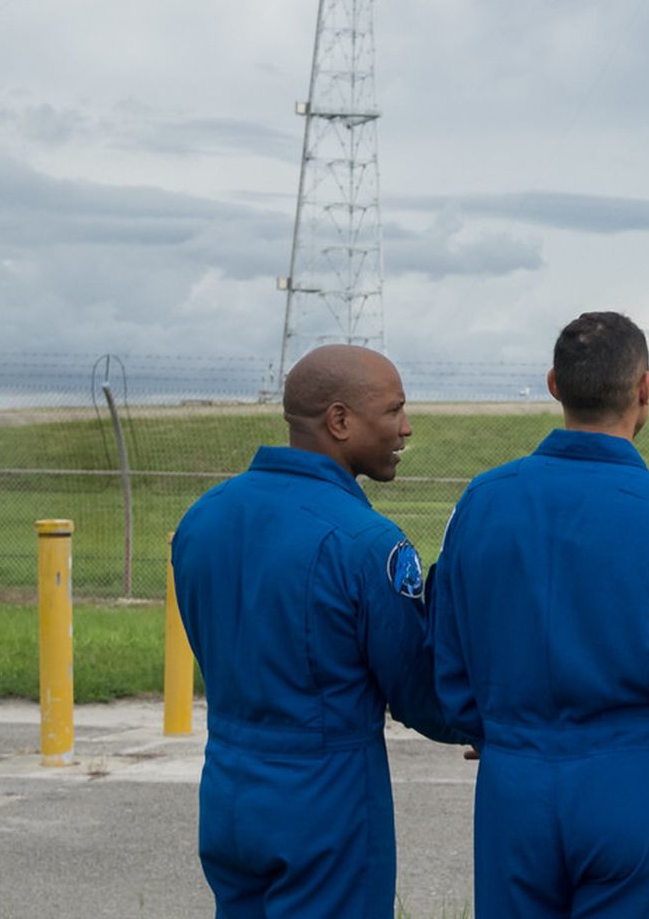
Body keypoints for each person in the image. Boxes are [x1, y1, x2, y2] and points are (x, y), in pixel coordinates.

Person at [430, 311, 649, 918]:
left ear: (553, 384)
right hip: (636, 781)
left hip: (514, 781)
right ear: (645, 388)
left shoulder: (481, 502)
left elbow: (447, 645)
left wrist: (491, 730)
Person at [171, 344, 458, 917]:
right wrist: (495, 723)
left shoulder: (203, 518)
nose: (406, 428)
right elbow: (417, 690)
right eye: (394, 411)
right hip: (325, 800)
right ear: (340, 420)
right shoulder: (367, 542)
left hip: (228, 787)